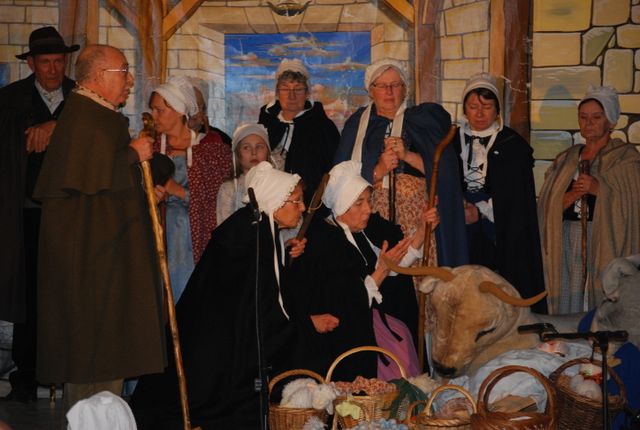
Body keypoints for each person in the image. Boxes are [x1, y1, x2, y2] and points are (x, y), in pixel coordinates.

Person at [32, 44, 166, 410]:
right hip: (92, 260)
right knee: (94, 351)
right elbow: (86, 176)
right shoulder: (86, 116)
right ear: (98, 76)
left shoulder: (98, 114)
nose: (129, 79)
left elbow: (99, 180)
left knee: (105, 349)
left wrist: (142, 179)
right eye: (123, 71)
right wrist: (133, 154)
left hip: (104, 251)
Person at [131, 161, 306, 429]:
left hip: (222, 341)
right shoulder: (251, 234)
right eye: (296, 201)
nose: (302, 208)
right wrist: (304, 326)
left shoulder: (256, 227)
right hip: (214, 350)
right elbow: (258, 304)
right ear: (276, 201)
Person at [286, 160, 439, 382]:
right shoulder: (324, 242)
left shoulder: (367, 229)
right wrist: (382, 271)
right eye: (359, 203)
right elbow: (347, 304)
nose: (368, 209)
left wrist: (422, 230)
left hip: (377, 324)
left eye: (368, 201)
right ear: (342, 206)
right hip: (346, 341)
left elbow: (395, 264)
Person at [0, 26, 78, 403]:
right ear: (31, 63)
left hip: (71, 214)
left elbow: (99, 136)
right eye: (45, 62)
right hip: (27, 214)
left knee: (67, 293)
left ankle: (69, 373)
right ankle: (26, 376)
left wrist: (55, 127)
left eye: (58, 61)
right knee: (29, 297)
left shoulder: (81, 98)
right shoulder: (10, 99)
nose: (53, 69)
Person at [335, 58, 467, 267]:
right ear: (371, 91)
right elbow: (340, 181)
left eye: (395, 85)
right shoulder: (357, 125)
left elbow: (443, 172)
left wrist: (407, 155)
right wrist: (378, 170)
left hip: (417, 215)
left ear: (404, 90)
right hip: (371, 215)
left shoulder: (423, 120)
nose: (389, 91)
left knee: (418, 270)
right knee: (383, 270)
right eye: (382, 85)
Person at [538, 85, 640, 314]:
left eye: (596, 117)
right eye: (583, 117)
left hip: (604, 240)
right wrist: (572, 195)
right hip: (566, 241)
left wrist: (599, 189)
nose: (588, 123)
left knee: (598, 302)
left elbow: (632, 203)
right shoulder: (566, 159)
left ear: (611, 122)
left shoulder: (625, 158)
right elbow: (547, 205)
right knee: (568, 298)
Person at [452, 73, 547, 313]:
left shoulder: (512, 145)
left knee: (499, 290)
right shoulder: (450, 141)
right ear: (464, 109)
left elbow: (516, 196)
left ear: (497, 110)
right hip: (460, 227)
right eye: (473, 107)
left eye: (487, 107)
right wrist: (459, 207)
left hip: (500, 229)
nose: (479, 114)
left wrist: (481, 211)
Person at [150, 76, 232, 302]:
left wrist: (176, 190)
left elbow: (217, 201)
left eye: (159, 110)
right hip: (157, 235)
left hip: (192, 236)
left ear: (179, 111)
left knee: (189, 294)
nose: (153, 116)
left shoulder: (211, 151)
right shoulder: (149, 149)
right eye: (152, 110)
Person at [259, 58, 340, 205]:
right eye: (285, 89)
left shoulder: (323, 127)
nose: (291, 96)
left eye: (298, 89)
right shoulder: (265, 125)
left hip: (309, 208)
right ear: (277, 93)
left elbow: (335, 172)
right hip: (269, 204)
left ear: (307, 93)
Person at [216, 123, 271, 224]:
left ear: (267, 151)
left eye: (259, 147)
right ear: (237, 154)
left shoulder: (280, 184)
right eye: (246, 147)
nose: (254, 152)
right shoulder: (229, 188)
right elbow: (224, 226)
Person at [186, 76, 232, 146]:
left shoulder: (221, 139)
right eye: (189, 106)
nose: (193, 111)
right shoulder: (169, 136)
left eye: (199, 107)